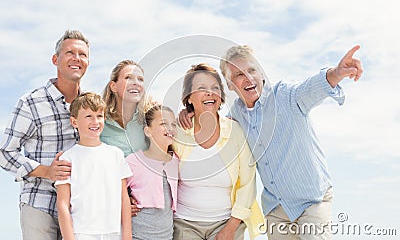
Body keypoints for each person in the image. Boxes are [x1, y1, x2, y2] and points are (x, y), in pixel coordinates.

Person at [180, 45, 363, 239]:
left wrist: (337, 73)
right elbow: (215, 124)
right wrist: (190, 113)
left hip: (313, 199)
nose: (248, 78)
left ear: (261, 73)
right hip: (277, 208)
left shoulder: (286, 96)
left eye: (252, 70)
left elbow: (311, 88)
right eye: (239, 75)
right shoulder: (236, 116)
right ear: (230, 85)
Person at [0, 29, 90, 240]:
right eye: (70, 53)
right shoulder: (31, 102)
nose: (77, 58)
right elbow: (4, 151)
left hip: (79, 206)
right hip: (39, 203)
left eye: (83, 54)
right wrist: (46, 171)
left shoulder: (91, 106)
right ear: (55, 59)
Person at [173, 63, 264, 240]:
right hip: (185, 223)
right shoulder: (178, 132)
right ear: (189, 97)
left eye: (215, 88)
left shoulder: (235, 131)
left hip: (227, 223)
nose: (210, 92)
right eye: (201, 88)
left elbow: (248, 183)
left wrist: (231, 227)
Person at [55, 92, 132, 240]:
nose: (95, 121)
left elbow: (124, 198)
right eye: (88, 116)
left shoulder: (116, 154)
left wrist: (127, 235)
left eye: (99, 116)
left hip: (113, 233)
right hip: (80, 233)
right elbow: (63, 204)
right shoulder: (67, 158)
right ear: (74, 122)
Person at [126, 104, 179, 240]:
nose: (170, 128)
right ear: (148, 131)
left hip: (167, 237)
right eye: (163, 123)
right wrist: (124, 202)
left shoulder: (176, 161)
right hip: (137, 236)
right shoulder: (133, 161)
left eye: (173, 124)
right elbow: (113, 192)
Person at [101, 60, 149, 157]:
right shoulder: (99, 121)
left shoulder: (149, 120)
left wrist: (186, 112)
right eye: (128, 78)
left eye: (140, 79)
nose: (136, 83)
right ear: (113, 86)